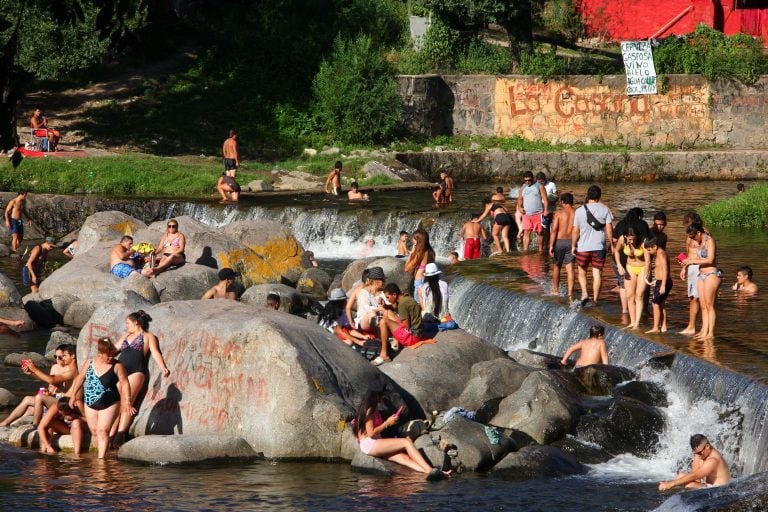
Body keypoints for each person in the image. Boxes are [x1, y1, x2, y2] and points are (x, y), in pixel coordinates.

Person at [352, 390, 446, 479]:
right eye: (382, 396)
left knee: (405, 458)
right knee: (407, 442)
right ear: (376, 397)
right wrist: (387, 423)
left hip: (377, 442)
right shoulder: (369, 411)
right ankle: (430, 469)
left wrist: (390, 421)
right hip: (370, 444)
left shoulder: (373, 409)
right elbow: (371, 433)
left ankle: (430, 473)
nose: (383, 398)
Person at [67, 337, 135, 459]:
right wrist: (73, 396)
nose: (111, 358)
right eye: (108, 355)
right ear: (99, 353)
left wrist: (127, 402)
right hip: (90, 402)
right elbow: (80, 378)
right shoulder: (89, 362)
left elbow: (125, 384)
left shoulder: (117, 365)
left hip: (110, 402)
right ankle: (106, 453)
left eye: (112, 355)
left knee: (102, 431)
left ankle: (101, 460)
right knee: (94, 431)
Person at [110, 310, 170, 447]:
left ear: (136, 322)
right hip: (121, 372)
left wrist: (163, 367)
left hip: (136, 371)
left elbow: (155, 352)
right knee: (118, 403)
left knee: (128, 402)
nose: (126, 326)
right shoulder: (126, 335)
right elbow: (113, 350)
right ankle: (111, 435)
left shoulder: (148, 336)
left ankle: (120, 434)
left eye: (128, 323)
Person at [0, 344, 78, 427]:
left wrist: (34, 369)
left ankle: (35, 425)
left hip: (66, 403)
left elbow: (51, 380)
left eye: (64, 356)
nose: (62, 358)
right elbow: (51, 381)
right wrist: (32, 373)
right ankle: (5, 423)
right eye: (57, 356)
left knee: (39, 397)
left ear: (73, 356)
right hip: (60, 399)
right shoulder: (61, 368)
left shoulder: (73, 371)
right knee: (27, 399)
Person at [572, 185, 614, 305]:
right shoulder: (605, 209)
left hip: (583, 247)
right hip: (599, 247)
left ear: (588, 195)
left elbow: (575, 231)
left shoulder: (579, 210)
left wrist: (573, 245)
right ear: (599, 196)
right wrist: (611, 244)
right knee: (597, 273)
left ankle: (585, 293)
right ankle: (595, 300)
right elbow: (609, 230)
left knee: (582, 271)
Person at [376, 283, 434, 366]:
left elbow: (406, 326)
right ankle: (394, 342)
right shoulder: (406, 297)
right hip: (418, 332)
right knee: (388, 312)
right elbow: (396, 309)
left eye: (388, 297)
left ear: (394, 295)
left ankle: (384, 354)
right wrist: (385, 306)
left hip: (412, 338)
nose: (387, 300)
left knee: (383, 322)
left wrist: (390, 325)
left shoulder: (402, 304)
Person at [682, 223, 721, 339]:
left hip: (711, 274)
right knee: (703, 305)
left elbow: (710, 259)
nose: (692, 239)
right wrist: (687, 261)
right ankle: (704, 331)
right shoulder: (699, 242)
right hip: (701, 274)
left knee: (710, 305)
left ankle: (710, 333)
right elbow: (699, 258)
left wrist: (692, 261)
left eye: (693, 236)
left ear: (699, 233)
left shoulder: (709, 241)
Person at [658, 434, 730, 491]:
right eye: (696, 453)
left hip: (719, 490)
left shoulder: (713, 460)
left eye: (699, 453)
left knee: (689, 485)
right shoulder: (702, 453)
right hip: (709, 486)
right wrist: (697, 455)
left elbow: (695, 475)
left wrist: (671, 484)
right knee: (680, 476)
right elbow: (695, 474)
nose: (698, 455)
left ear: (707, 446)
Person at [611, 208, 649, 315]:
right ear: (640, 216)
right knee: (640, 291)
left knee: (623, 286)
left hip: (620, 260)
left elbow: (614, 240)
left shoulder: (620, 224)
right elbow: (648, 242)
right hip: (635, 261)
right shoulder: (642, 224)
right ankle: (643, 311)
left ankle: (624, 310)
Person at [613, 228, 649, 330]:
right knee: (630, 295)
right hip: (630, 267)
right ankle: (632, 322)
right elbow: (616, 251)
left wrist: (647, 275)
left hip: (642, 268)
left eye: (633, 239)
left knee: (639, 295)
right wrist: (619, 265)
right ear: (625, 237)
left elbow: (647, 261)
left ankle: (637, 323)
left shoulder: (643, 241)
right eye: (629, 240)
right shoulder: (622, 239)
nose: (631, 242)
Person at [549, 193, 576, 297]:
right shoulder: (577, 213)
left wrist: (551, 245)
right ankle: (570, 294)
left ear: (562, 202)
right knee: (570, 268)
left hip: (559, 241)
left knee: (557, 266)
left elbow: (554, 230)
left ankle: (555, 290)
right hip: (572, 242)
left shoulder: (559, 213)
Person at [644, 236, 672, 333]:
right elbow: (661, 267)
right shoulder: (659, 253)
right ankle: (663, 327)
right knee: (661, 304)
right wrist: (654, 268)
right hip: (661, 281)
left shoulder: (661, 254)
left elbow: (665, 270)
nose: (648, 252)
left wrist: (663, 285)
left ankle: (656, 328)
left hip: (663, 282)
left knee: (655, 303)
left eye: (649, 250)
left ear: (654, 246)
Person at [517, 171, 548, 253]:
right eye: (525, 180)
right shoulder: (522, 188)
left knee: (540, 232)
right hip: (526, 214)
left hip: (538, 213)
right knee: (526, 232)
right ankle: (525, 251)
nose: (527, 182)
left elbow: (545, 199)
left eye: (529, 180)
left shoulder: (539, 186)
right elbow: (520, 199)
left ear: (533, 178)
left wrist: (546, 210)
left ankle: (540, 250)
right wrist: (520, 208)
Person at [353, 266, 386, 335]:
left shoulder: (382, 293)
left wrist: (384, 305)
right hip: (362, 321)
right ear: (375, 281)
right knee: (372, 315)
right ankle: (379, 336)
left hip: (377, 319)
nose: (384, 282)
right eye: (382, 280)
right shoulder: (364, 292)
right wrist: (380, 309)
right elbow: (366, 308)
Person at [404, 229, 436, 299]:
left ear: (418, 240)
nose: (412, 240)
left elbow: (407, 268)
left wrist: (411, 253)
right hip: (429, 280)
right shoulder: (431, 252)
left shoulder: (420, 253)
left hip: (420, 282)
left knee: (419, 305)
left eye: (414, 238)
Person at [536, 171, 558, 251]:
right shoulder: (536, 185)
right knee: (544, 227)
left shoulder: (552, 184)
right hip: (540, 208)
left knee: (550, 226)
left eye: (542, 181)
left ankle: (549, 243)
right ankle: (545, 244)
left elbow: (556, 196)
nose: (541, 183)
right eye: (539, 182)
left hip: (550, 208)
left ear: (544, 179)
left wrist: (551, 198)